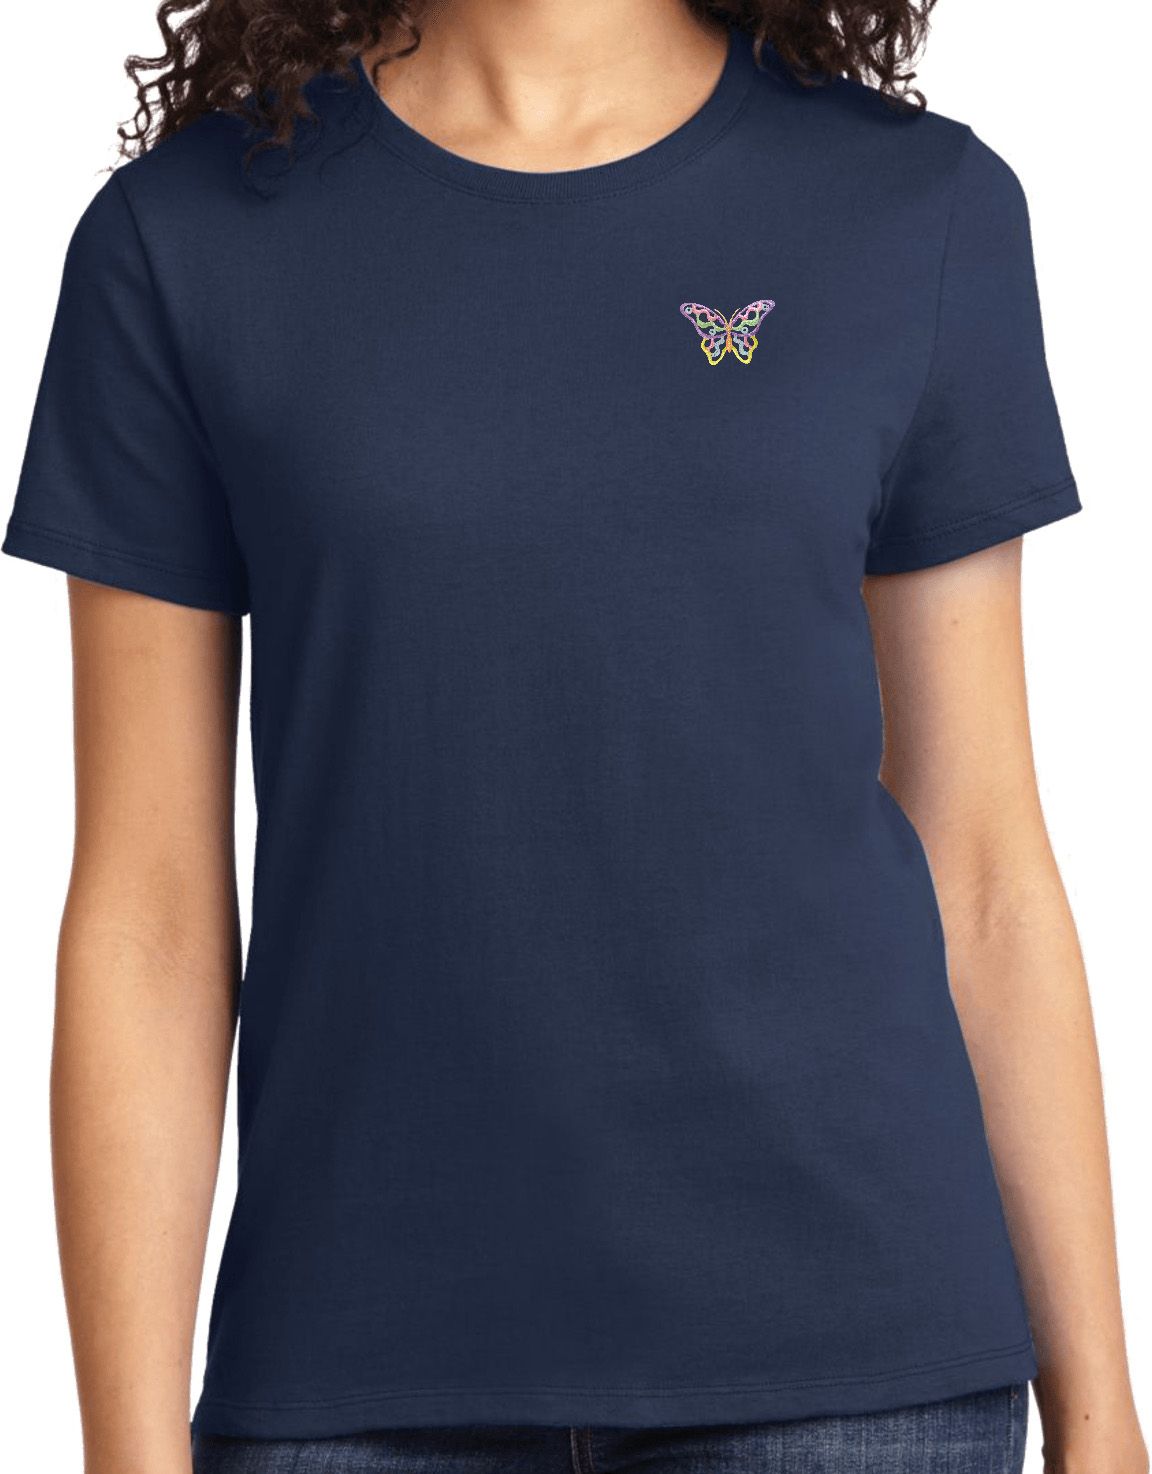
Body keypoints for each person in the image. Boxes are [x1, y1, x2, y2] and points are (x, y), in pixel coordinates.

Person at [3, 0, 1145, 1471]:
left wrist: (1104, 1412)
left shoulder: (916, 209)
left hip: (852, 1363)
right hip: (351, 1365)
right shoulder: (182, 237)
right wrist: (124, 1444)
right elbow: (148, 911)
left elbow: (981, 860)